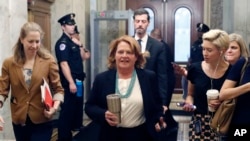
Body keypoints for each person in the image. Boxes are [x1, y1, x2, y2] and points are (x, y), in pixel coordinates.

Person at [85, 35, 166, 141]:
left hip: (140, 135)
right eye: (120, 52)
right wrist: (103, 114)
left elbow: (157, 106)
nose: (124, 56)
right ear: (114, 55)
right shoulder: (102, 79)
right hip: (110, 135)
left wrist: (158, 120)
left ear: (136, 56)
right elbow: (89, 107)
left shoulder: (148, 78)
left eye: (129, 52)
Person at [0, 22, 64, 141]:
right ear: (22, 39)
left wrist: (54, 109)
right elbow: (2, 91)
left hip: (42, 120)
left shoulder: (48, 61)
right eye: (30, 41)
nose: (34, 46)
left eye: (37, 41)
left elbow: (58, 90)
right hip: (20, 120)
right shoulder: (9, 64)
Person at [183, 29, 231, 141]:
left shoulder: (232, 71)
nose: (204, 53)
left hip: (224, 120)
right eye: (203, 49)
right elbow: (190, 94)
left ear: (222, 51)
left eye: (209, 50)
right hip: (200, 121)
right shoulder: (195, 68)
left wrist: (221, 102)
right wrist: (189, 103)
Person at [55, 13, 90, 141]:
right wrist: (71, 82)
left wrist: (80, 45)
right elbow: (64, 64)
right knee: (67, 111)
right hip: (70, 81)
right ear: (63, 27)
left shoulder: (71, 41)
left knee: (75, 108)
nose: (73, 26)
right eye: (70, 24)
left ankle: (72, 131)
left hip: (78, 80)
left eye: (73, 24)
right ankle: (63, 137)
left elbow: (84, 57)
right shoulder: (62, 43)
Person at [218, 33, 250, 140]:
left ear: (242, 49)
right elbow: (222, 94)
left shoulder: (244, 64)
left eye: (233, 48)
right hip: (229, 120)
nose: (229, 50)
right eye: (226, 47)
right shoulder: (222, 68)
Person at [150, 28, 178, 140]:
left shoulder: (160, 47)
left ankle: (169, 127)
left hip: (164, 81)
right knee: (163, 106)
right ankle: (171, 125)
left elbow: (162, 70)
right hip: (168, 80)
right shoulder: (165, 45)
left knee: (162, 106)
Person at [181, 23, 210, 99]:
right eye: (198, 32)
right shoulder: (195, 43)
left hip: (203, 70)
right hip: (193, 68)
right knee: (185, 81)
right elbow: (192, 57)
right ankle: (186, 98)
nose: (199, 34)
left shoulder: (208, 44)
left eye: (202, 32)